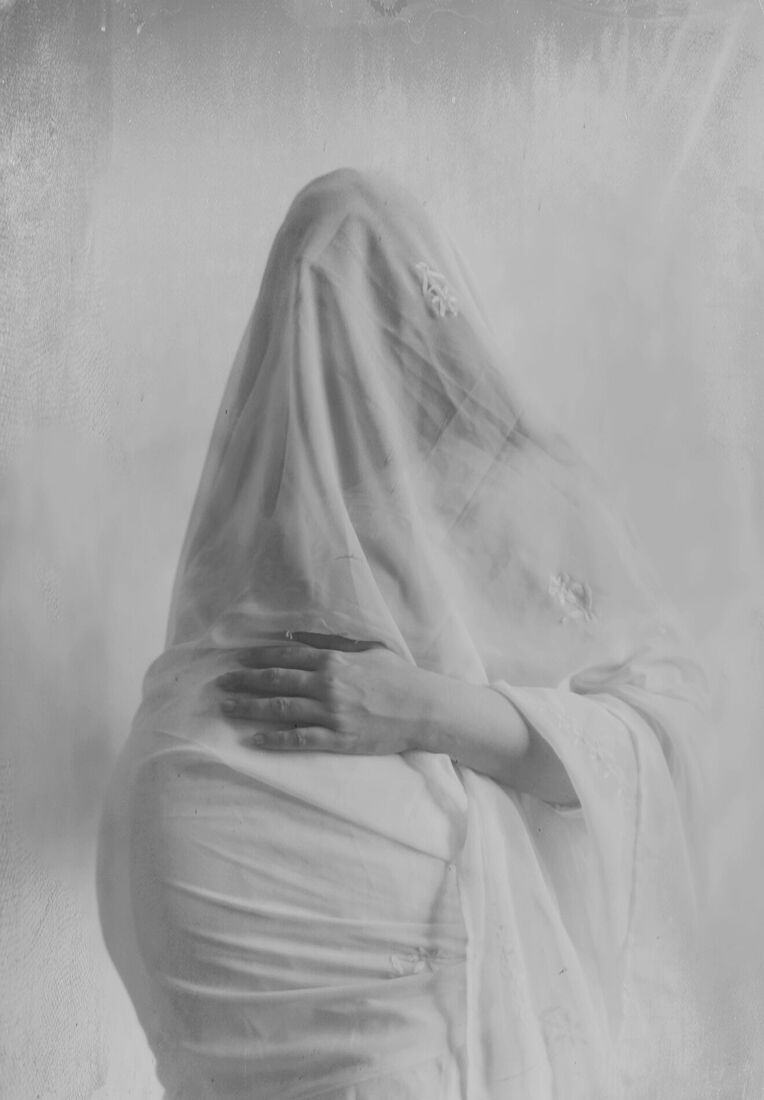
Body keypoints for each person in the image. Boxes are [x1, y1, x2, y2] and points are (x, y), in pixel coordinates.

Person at [96, 168, 707, 1100]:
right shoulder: (217, 674)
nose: (372, 384)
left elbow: (676, 732)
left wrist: (425, 709)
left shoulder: (518, 512)